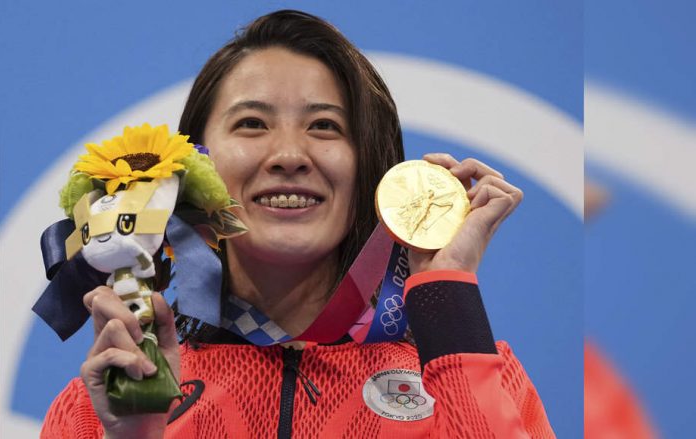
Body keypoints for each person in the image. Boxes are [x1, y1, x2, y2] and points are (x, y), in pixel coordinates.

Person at [41, 10, 555, 438]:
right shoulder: (101, 403)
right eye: (252, 124)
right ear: (193, 169)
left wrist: (446, 302)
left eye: (324, 126)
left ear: (369, 171)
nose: (289, 154)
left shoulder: (469, 368)